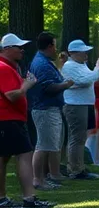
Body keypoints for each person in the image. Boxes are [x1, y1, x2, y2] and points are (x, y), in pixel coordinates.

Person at [0, 34, 53, 208]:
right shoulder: (4, 68)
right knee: (24, 156)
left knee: (3, 158)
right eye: (18, 46)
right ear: (6, 49)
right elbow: (11, 95)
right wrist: (27, 85)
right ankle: (29, 198)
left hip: (9, 120)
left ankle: (2, 199)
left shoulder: (10, 67)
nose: (22, 50)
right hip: (9, 120)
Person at [28, 32, 71, 191]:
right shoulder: (42, 64)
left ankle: (49, 175)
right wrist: (66, 84)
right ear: (49, 46)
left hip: (48, 108)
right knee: (43, 145)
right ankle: (38, 179)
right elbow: (48, 87)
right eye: (54, 45)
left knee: (49, 144)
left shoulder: (44, 62)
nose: (56, 49)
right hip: (45, 109)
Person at [60, 40, 99, 180]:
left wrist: (95, 72)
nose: (86, 54)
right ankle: (75, 169)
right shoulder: (69, 66)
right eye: (83, 51)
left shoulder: (82, 65)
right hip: (75, 105)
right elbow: (85, 80)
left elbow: (90, 78)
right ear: (73, 53)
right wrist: (98, 67)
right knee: (77, 137)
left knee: (81, 137)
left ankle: (78, 166)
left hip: (84, 104)